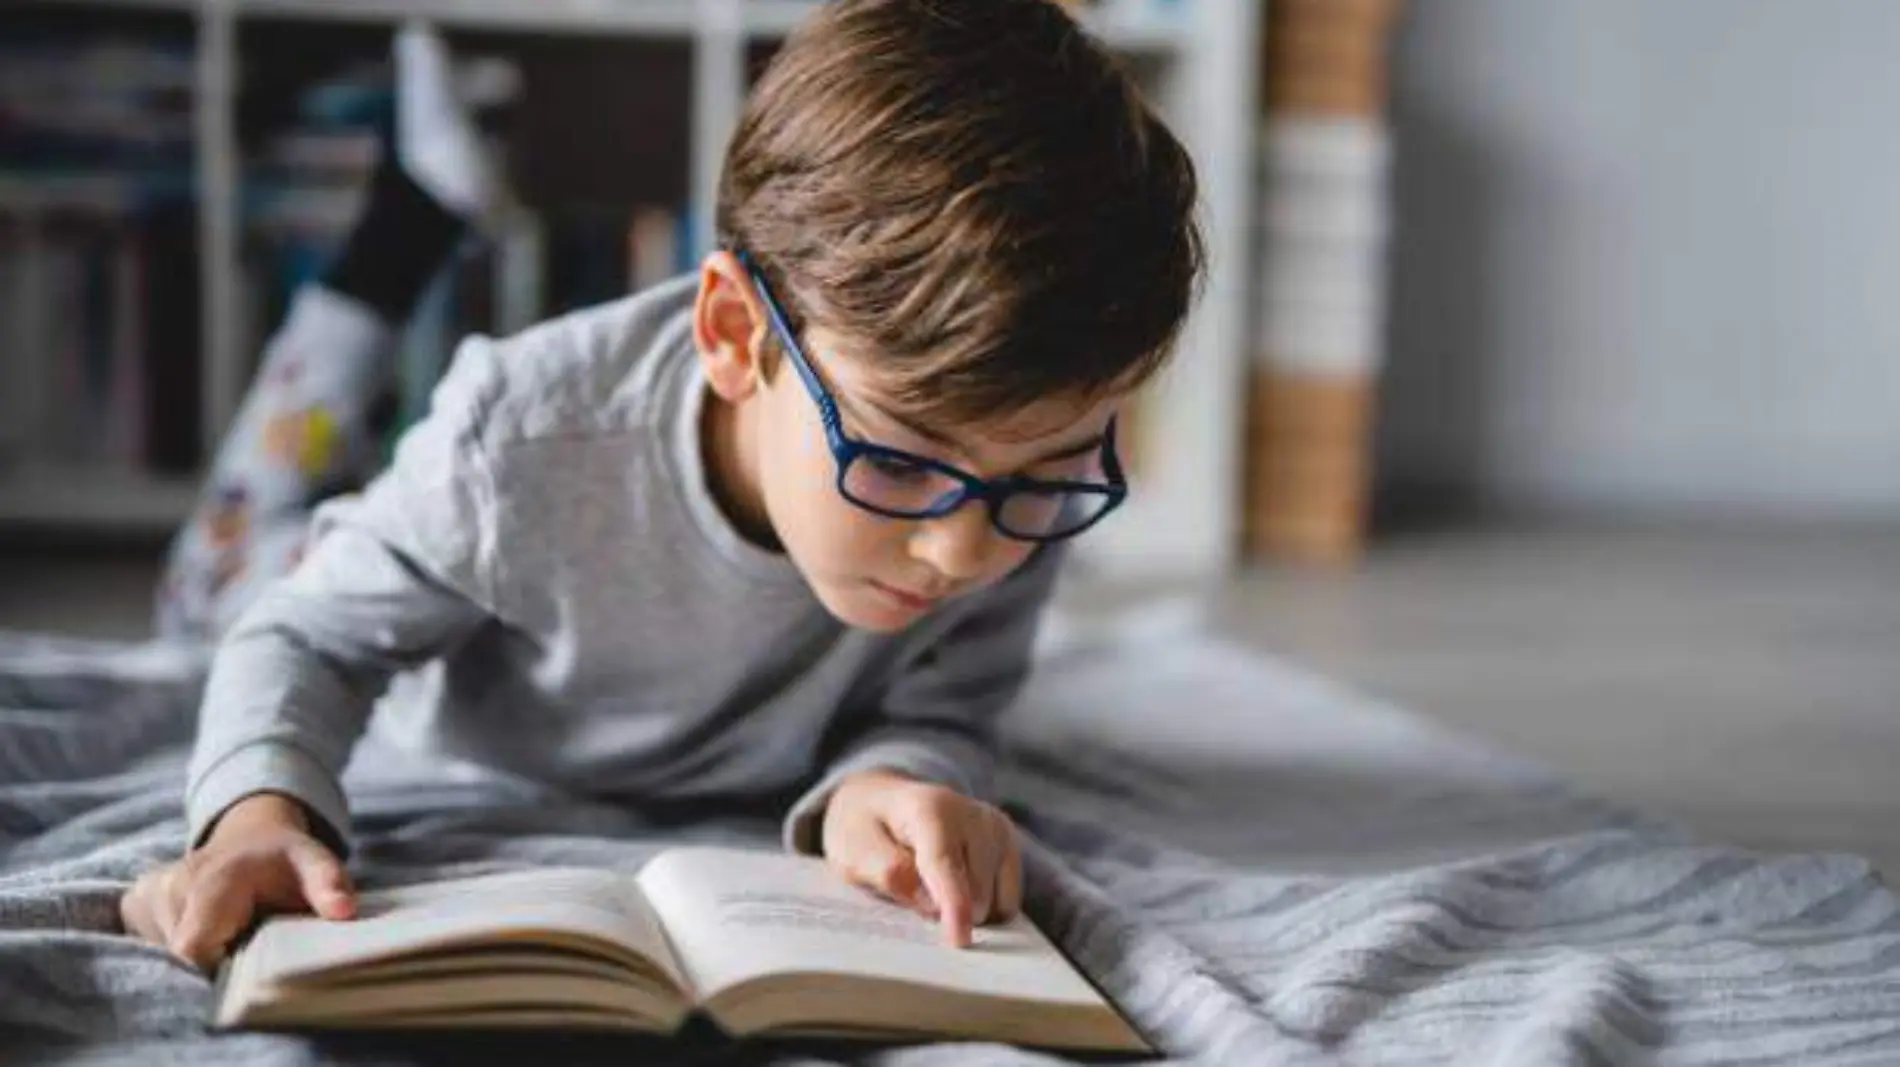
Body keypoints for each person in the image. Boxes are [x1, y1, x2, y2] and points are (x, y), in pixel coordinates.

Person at [120, 0, 1204, 973]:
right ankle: (396, 237)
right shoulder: (518, 442)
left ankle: (414, 214)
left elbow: (940, 703)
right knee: (231, 554)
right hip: (355, 579)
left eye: (1044, 474)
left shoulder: (1016, 475)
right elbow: (303, 639)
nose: (965, 553)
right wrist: (256, 813)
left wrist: (889, 780)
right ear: (737, 334)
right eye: (903, 459)